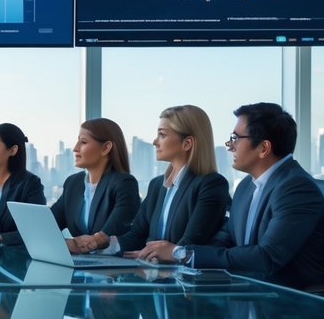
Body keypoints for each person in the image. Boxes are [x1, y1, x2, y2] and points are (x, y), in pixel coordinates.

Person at [141, 103, 324, 290]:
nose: (230, 146)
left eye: (236, 138)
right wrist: (186, 255)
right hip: (246, 295)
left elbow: (266, 257)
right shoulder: (246, 186)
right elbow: (227, 236)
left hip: (287, 306)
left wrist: (180, 253)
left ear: (264, 148)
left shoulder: (296, 189)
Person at [77, 105, 230, 258]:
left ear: (187, 143)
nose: (155, 142)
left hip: (185, 278)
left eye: (162, 135)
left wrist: (155, 254)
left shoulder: (211, 185)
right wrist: (98, 243)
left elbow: (190, 243)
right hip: (155, 274)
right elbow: (137, 235)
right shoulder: (157, 185)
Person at [50, 118, 140, 253]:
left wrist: (79, 245)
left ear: (105, 148)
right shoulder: (73, 183)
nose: (75, 148)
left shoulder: (124, 184)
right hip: (82, 266)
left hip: (112, 269)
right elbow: (50, 224)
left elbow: (106, 237)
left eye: (83, 142)